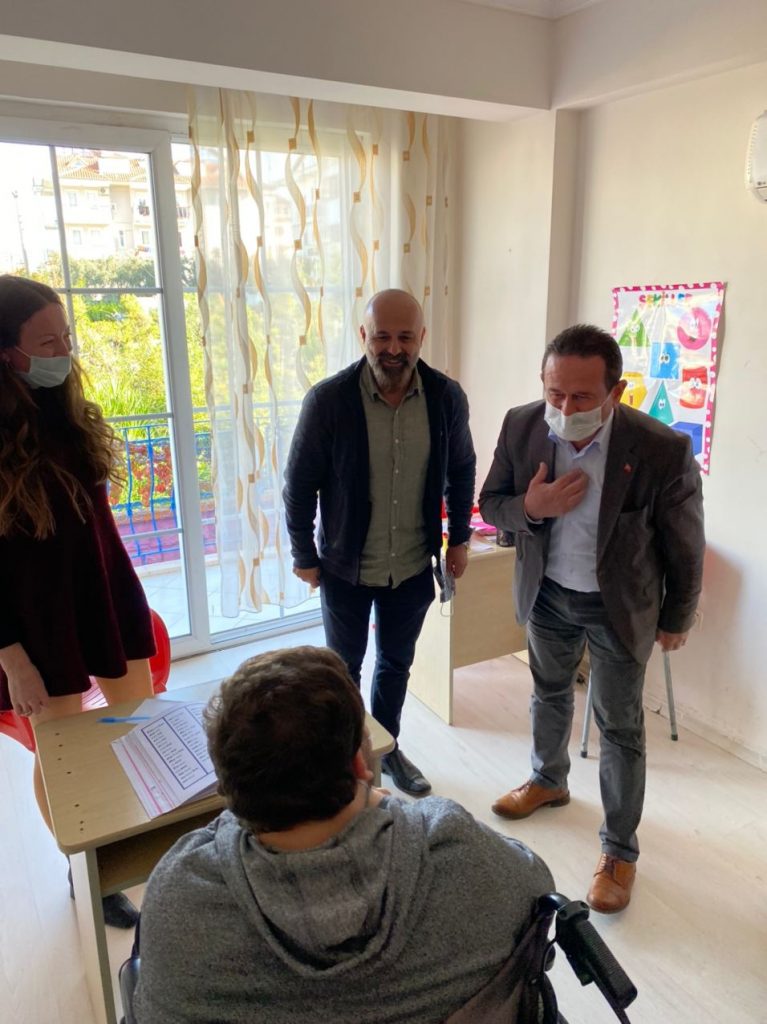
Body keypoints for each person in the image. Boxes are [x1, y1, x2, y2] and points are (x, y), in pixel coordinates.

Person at [134, 646, 554, 1024]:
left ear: (229, 788)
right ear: (359, 765)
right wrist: (392, 813)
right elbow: (538, 890)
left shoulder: (181, 897)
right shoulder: (460, 852)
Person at [479, 323, 704, 914]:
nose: (565, 409)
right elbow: (491, 503)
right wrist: (531, 506)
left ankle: (619, 851)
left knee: (620, 726)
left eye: (582, 397)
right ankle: (548, 780)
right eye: (554, 392)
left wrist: (678, 615)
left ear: (616, 391)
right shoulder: (523, 425)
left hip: (618, 607)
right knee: (548, 692)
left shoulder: (660, 449)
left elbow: (685, 545)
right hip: (547, 593)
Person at [0, 274, 156, 927]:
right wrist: (13, 659)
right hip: (34, 620)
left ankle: (138, 837)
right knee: (62, 753)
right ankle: (85, 867)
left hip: (105, 590)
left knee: (139, 724)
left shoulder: (67, 409)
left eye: (66, 335)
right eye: (47, 342)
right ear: (7, 353)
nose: (64, 350)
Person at [283, 289, 476, 795]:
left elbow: (461, 469)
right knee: (342, 669)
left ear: (421, 338)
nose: (394, 348)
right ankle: (347, 758)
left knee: (395, 664)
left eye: (405, 337)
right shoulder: (329, 401)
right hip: (344, 566)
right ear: (363, 335)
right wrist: (303, 553)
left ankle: (386, 749)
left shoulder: (446, 398)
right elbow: (299, 484)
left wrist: (458, 539)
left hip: (412, 565)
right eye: (382, 336)